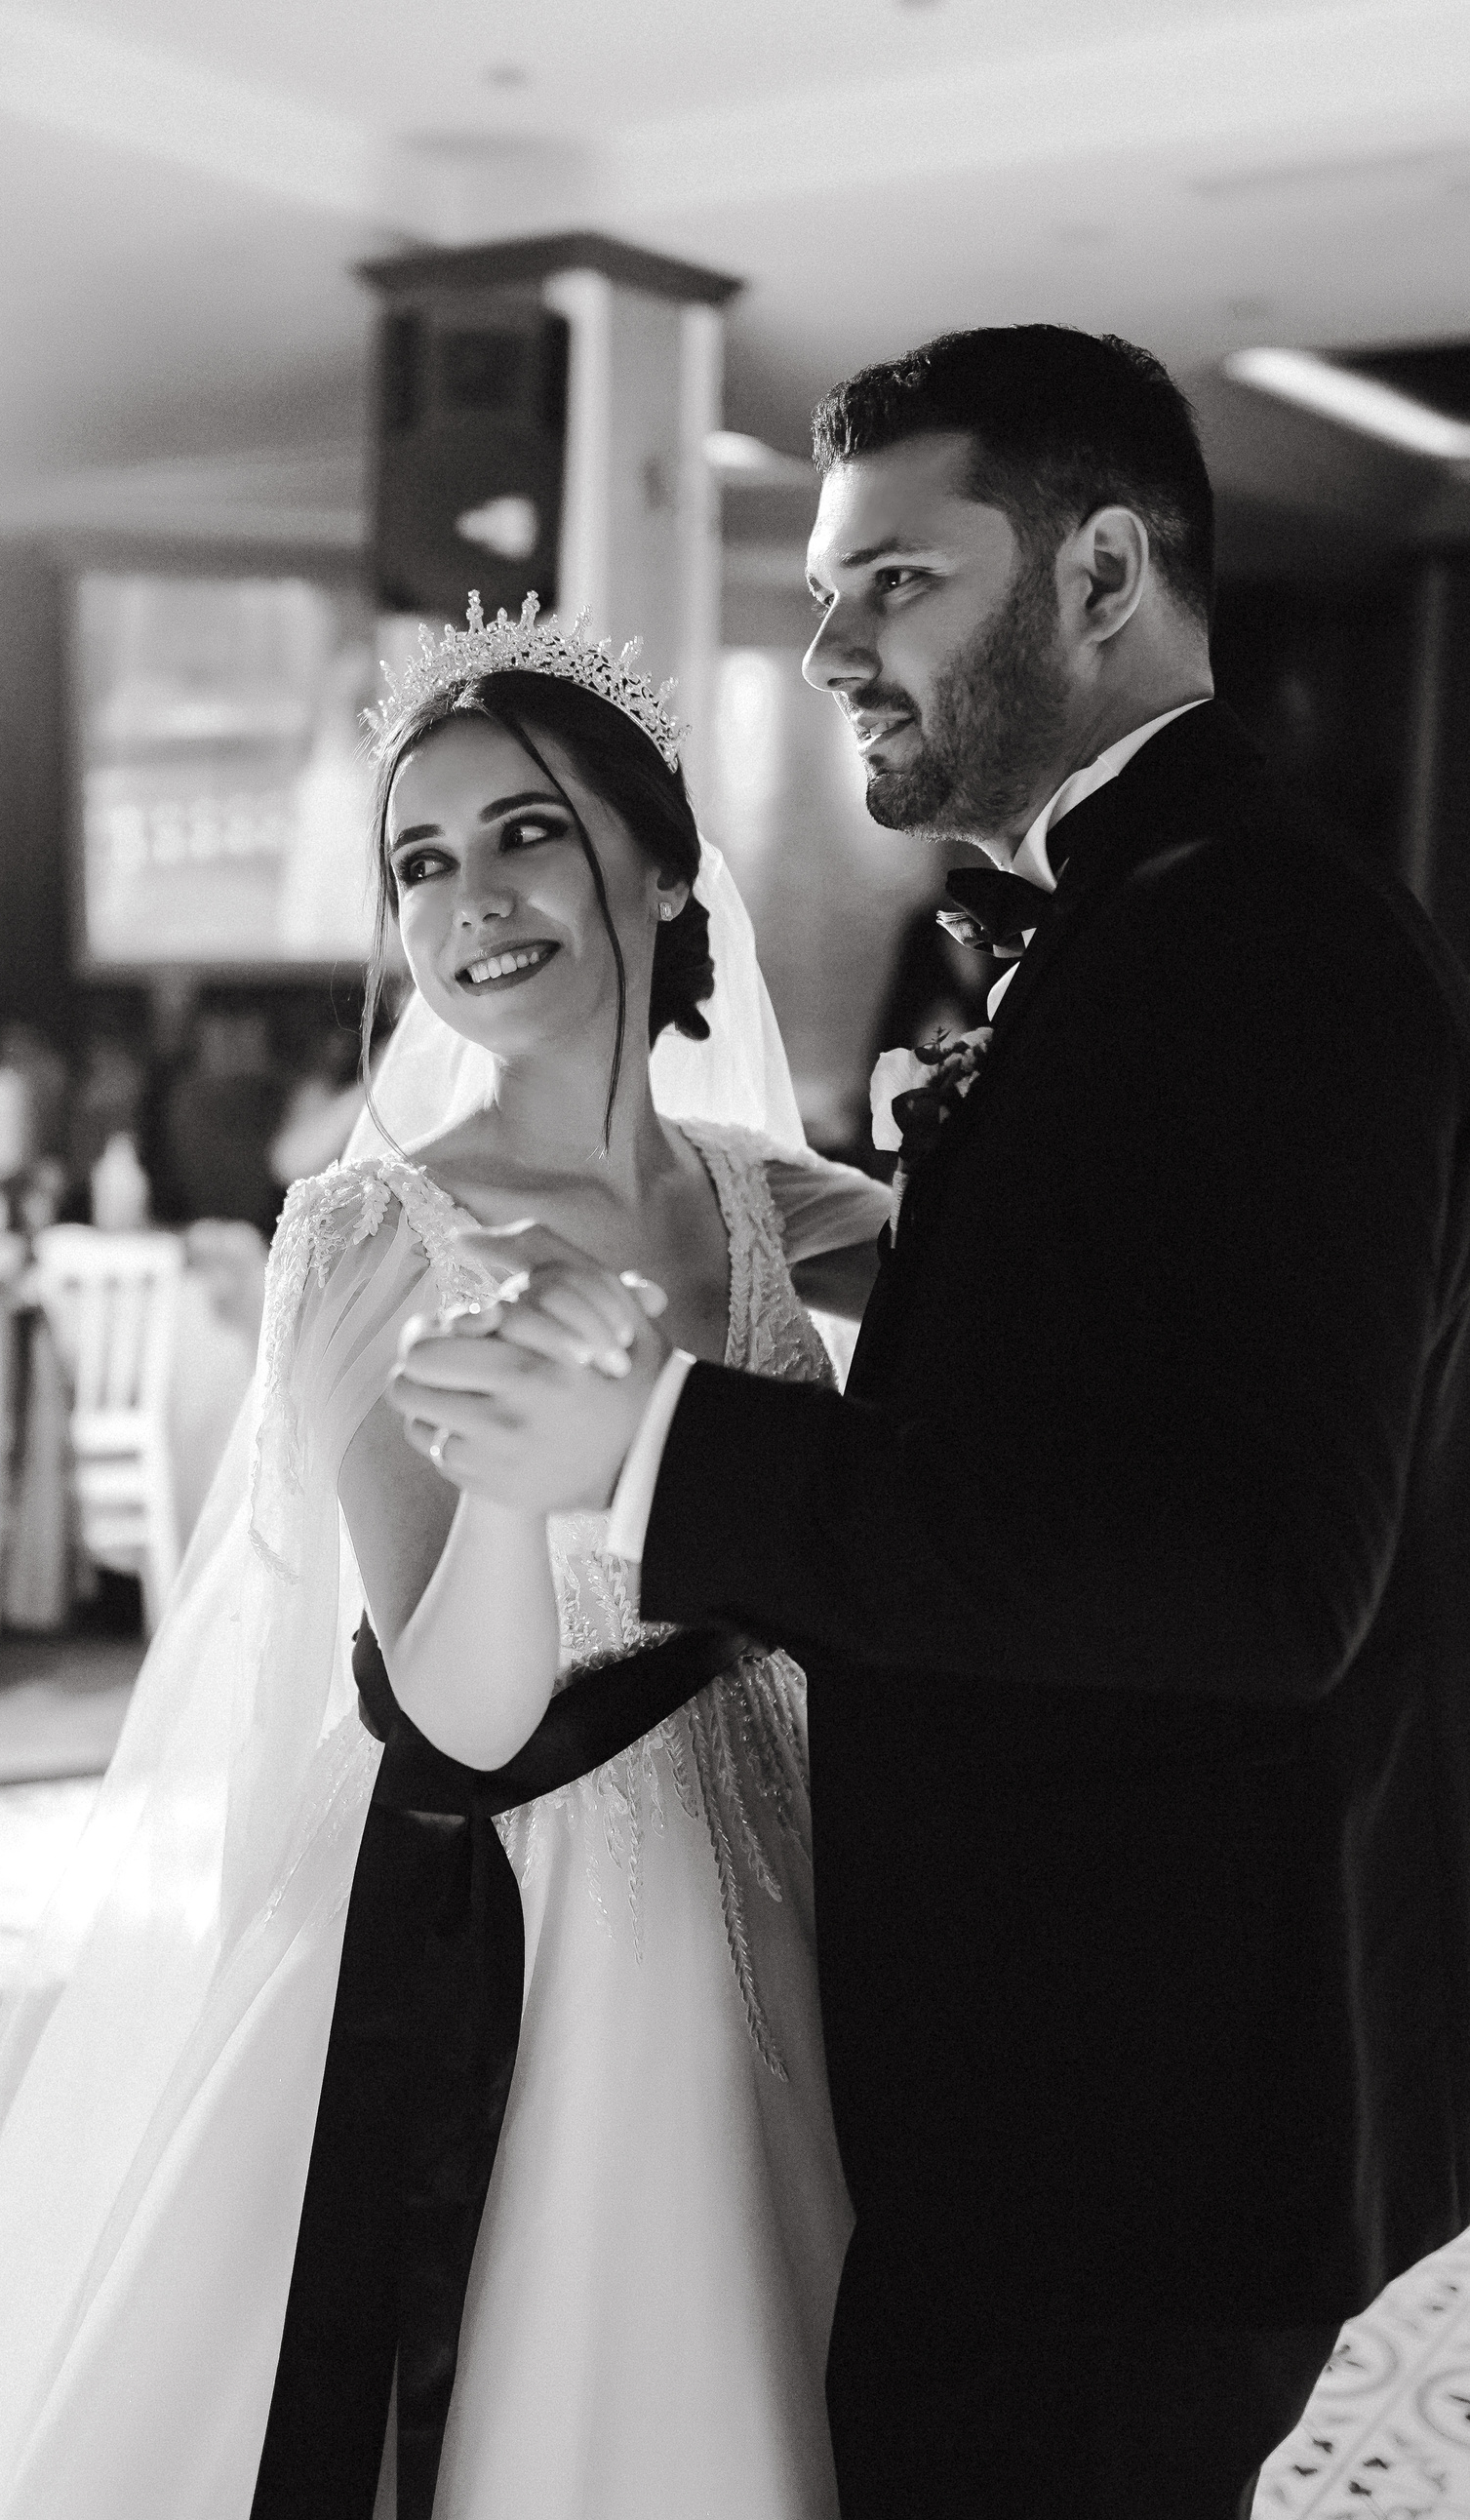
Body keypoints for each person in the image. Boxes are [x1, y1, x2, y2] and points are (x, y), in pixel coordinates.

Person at [390, 328, 1470, 2519]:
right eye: (823, 591)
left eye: (897, 578)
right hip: (1054, 2067)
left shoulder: (1259, 945)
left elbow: (1264, 1578)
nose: (830, 644)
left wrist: (660, 1447)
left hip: (1133, 2110)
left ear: (1096, 571)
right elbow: (1104, 1383)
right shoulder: (1148, 926)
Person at [0, 602, 890, 2519]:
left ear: (656, 864)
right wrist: (525, 1449)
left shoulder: (767, 1199)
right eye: (421, 859)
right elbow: (465, 1715)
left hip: (774, 1868)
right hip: (498, 1908)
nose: (470, 894)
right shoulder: (365, 1236)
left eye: (528, 830)